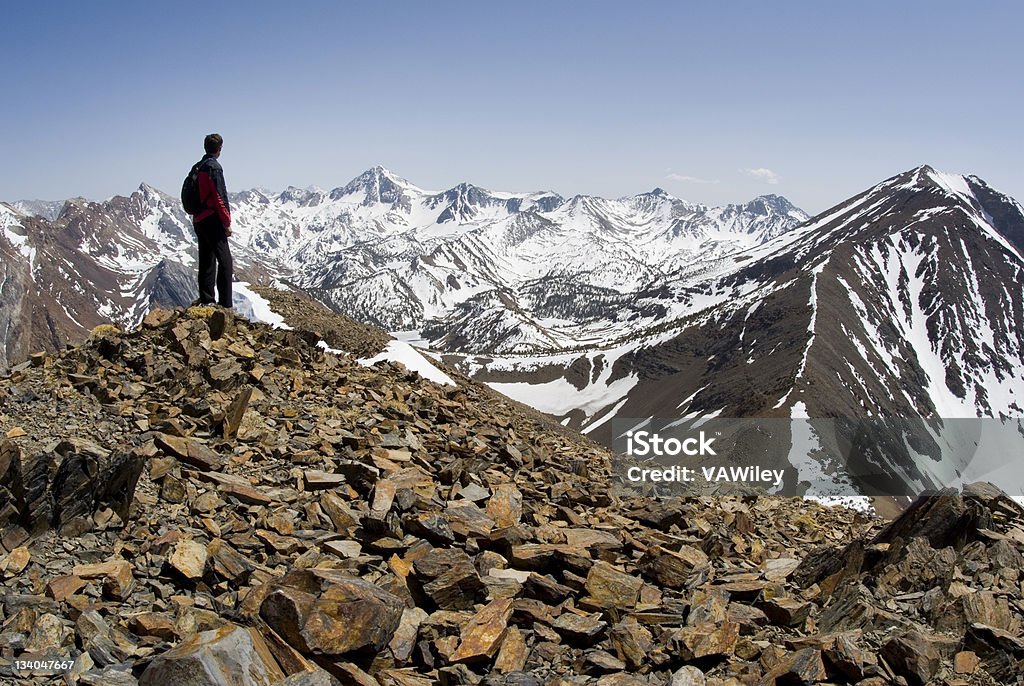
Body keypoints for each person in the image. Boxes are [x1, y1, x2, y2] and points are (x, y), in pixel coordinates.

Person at [191, 133, 234, 308]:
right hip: (212, 219)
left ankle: (207, 299)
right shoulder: (214, 168)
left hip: (198, 220)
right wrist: (226, 222)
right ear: (219, 148)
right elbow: (219, 198)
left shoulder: (197, 167)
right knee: (225, 262)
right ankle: (225, 304)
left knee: (206, 260)